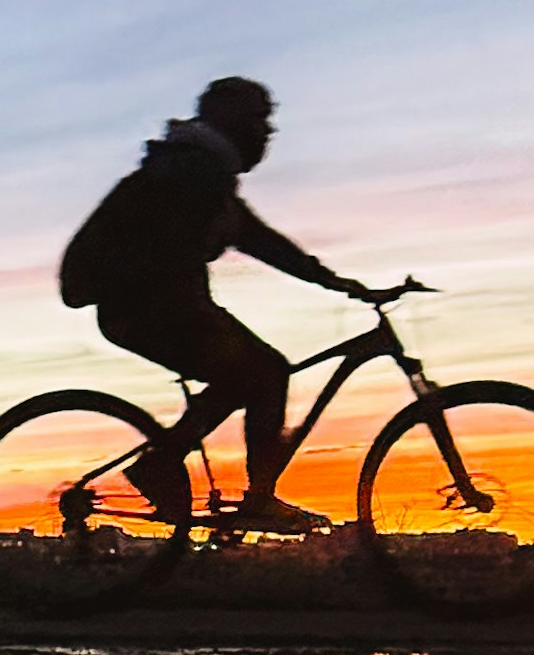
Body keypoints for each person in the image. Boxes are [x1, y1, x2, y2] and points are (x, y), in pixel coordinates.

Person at [58, 75, 380, 532]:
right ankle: (228, 487)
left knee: (255, 374)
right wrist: (339, 284)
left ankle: (188, 471)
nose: (266, 133)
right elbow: (250, 241)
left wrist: (338, 283)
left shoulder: (199, 171)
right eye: (258, 120)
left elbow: (261, 241)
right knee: (264, 372)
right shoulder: (194, 174)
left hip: (155, 305)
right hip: (145, 308)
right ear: (231, 123)